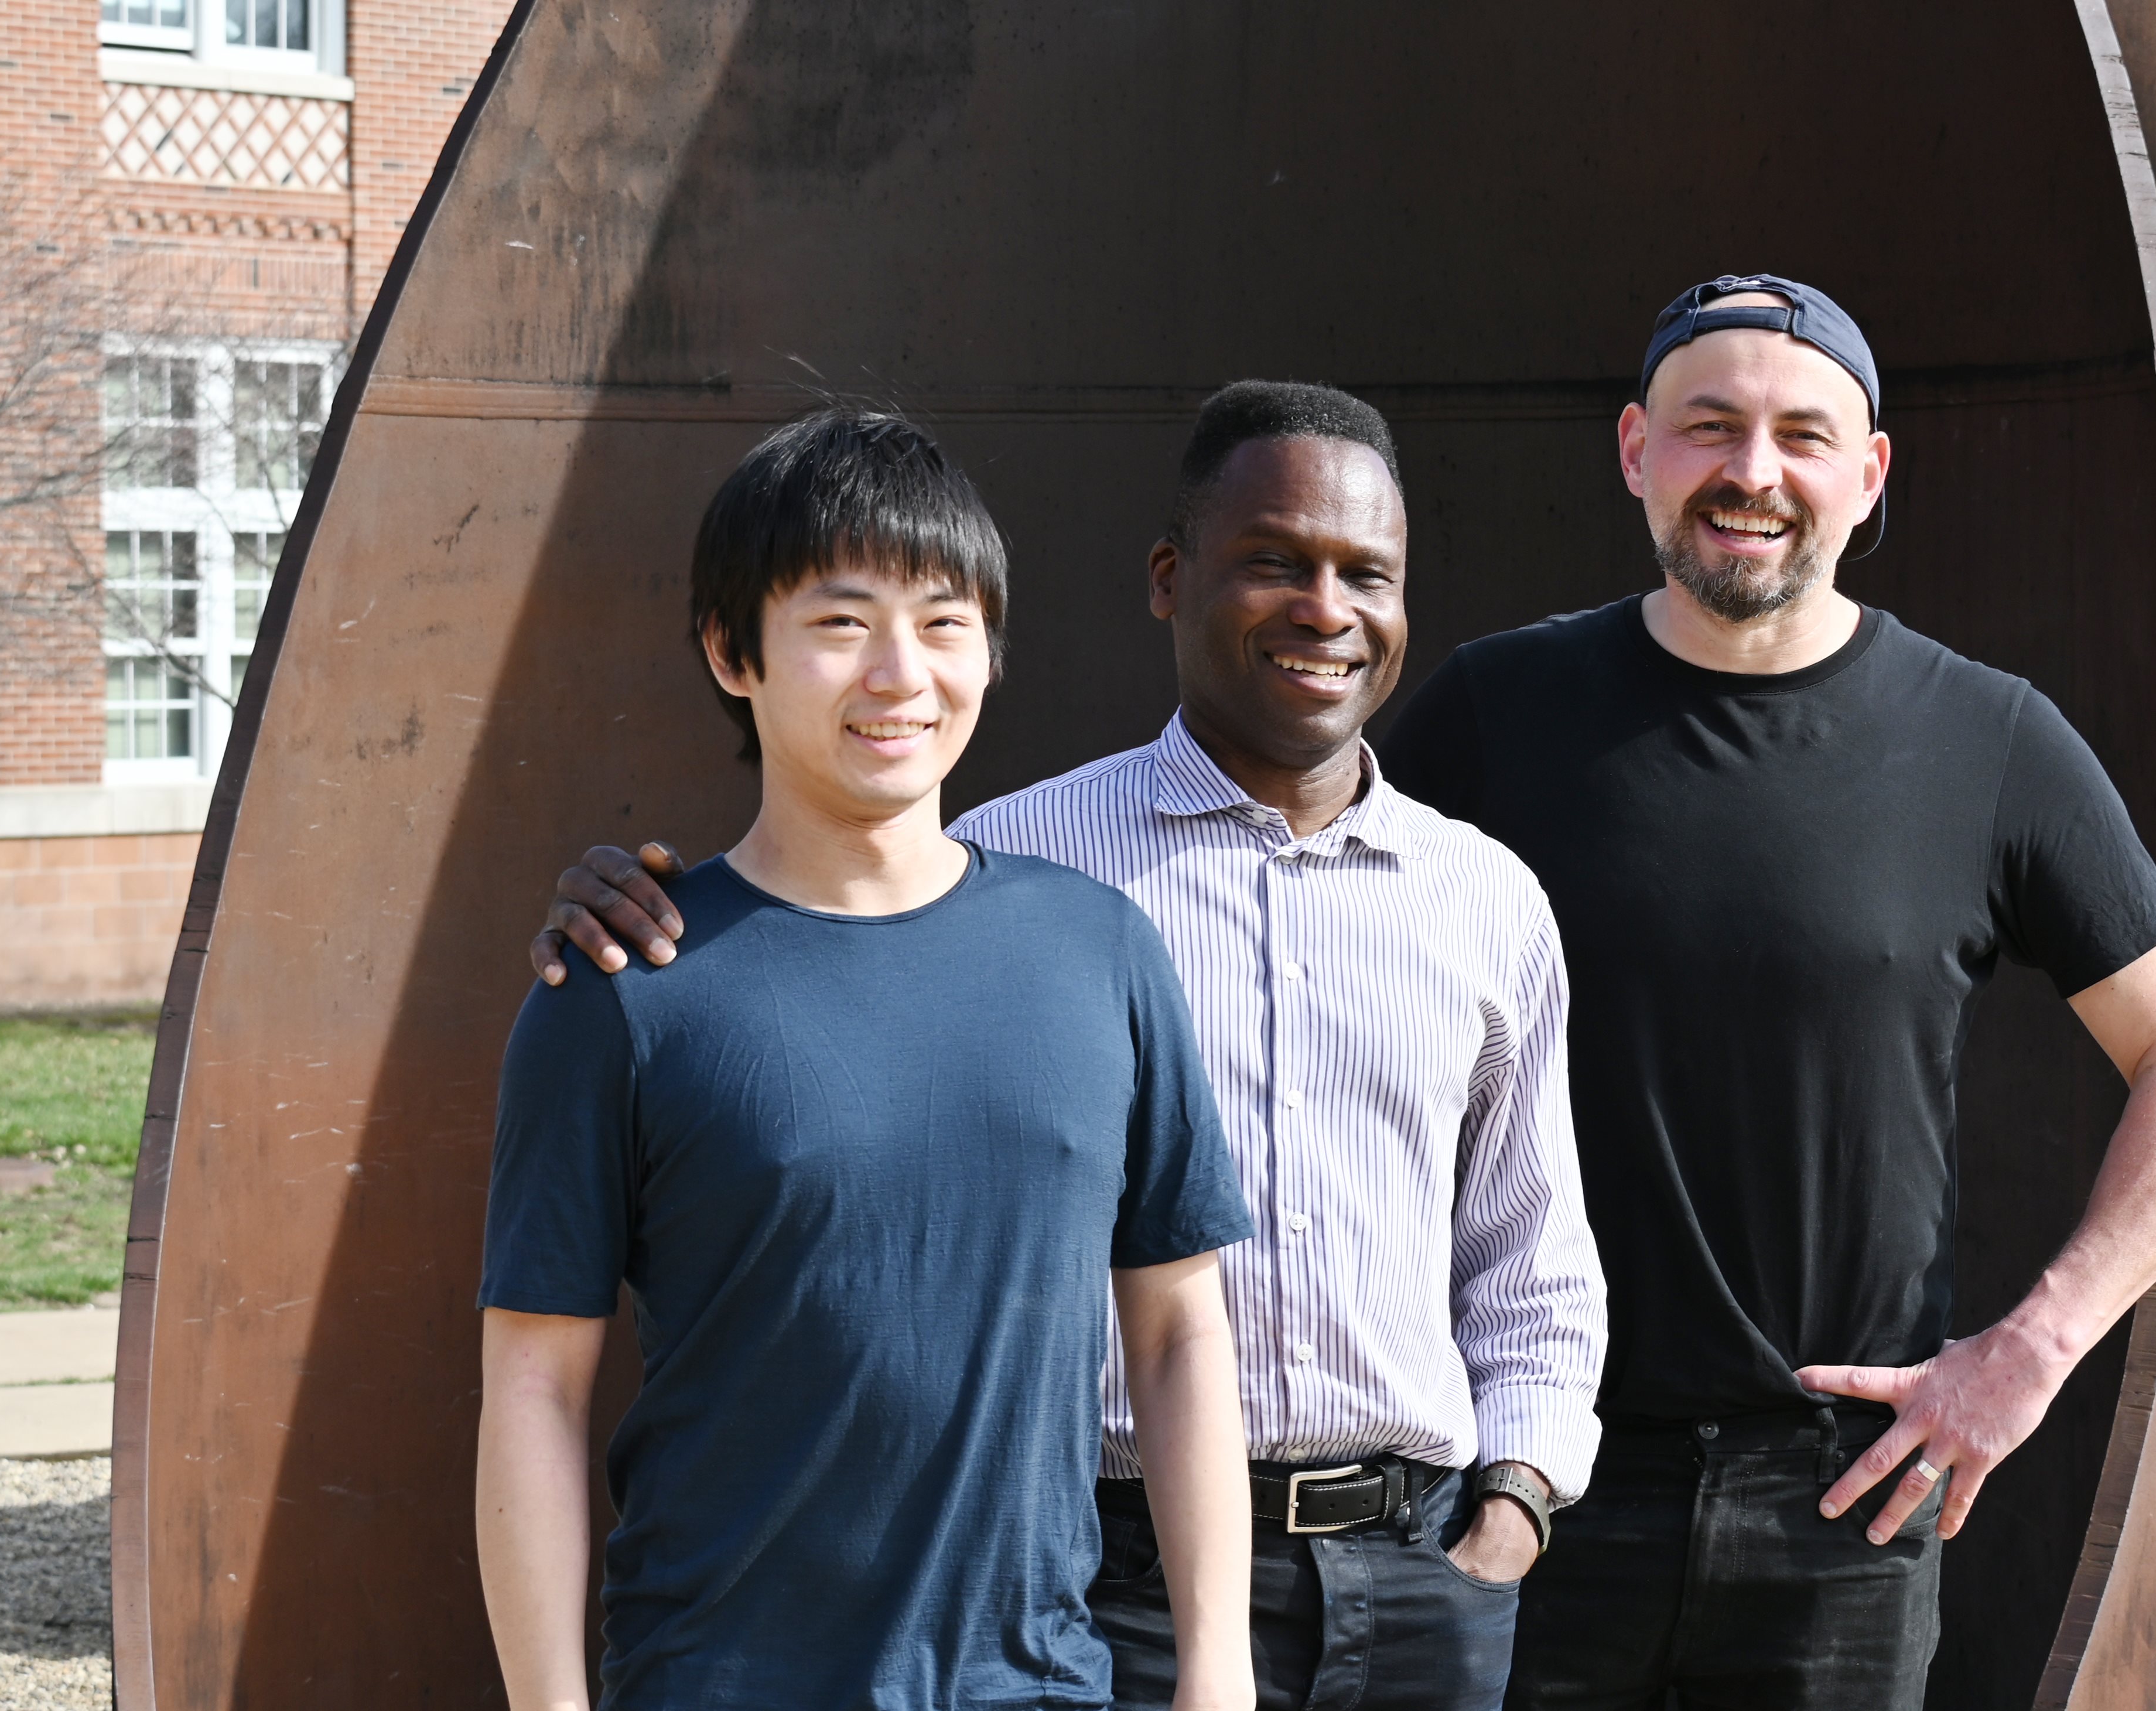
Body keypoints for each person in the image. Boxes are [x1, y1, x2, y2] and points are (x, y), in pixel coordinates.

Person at [529, 383, 1609, 1711]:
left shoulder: (1470, 896)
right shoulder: (1026, 868)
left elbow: (1520, 1246)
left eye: (1363, 574)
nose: (1324, 609)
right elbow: (841, 895)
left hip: (1406, 1578)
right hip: (1095, 1583)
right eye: (1274, 564)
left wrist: (1511, 1513)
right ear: (1170, 580)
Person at [1374, 275, 2156, 1709]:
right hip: (1530, 1479)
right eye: (1708, 427)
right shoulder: (1494, 718)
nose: (1753, 472)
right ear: (1633, 451)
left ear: (1869, 473)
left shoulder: (1991, 741)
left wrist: (2030, 1352)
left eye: (1803, 434)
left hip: (1841, 1510)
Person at [474, 411, 1260, 1711]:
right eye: (841, 624)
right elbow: (533, 1385)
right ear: (735, 653)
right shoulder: (626, 988)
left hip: (1037, 1685)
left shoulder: (1102, 952)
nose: (901, 674)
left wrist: (1214, 1673)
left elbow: (1179, 1332)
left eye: (944, 622)